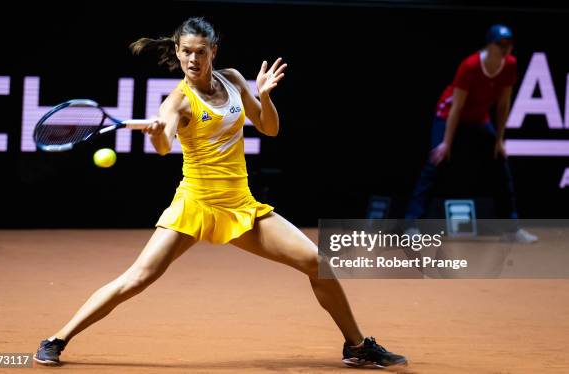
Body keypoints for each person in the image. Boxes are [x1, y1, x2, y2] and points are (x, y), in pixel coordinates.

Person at [33, 17, 407, 368]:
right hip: (196, 204)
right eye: (186, 51)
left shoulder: (232, 81)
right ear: (177, 52)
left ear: (214, 50)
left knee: (316, 262)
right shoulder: (176, 101)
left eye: (200, 51)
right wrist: (158, 134)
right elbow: (164, 147)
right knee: (137, 278)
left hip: (240, 207)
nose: (192, 59)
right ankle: (57, 339)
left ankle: (357, 347)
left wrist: (263, 95)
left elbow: (269, 127)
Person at [404, 24, 537, 243]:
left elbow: (503, 104)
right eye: (500, 44)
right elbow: (456, 108)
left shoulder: (510, 65)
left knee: (500, 163)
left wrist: (499, 140)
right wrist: (446, 143)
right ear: (489, 45)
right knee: (435, 162)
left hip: (478, 118)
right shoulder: (470, 66)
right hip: (448, 115)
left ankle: (512, 230)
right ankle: (411, 225)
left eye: (508, 44)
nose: (505, 49)